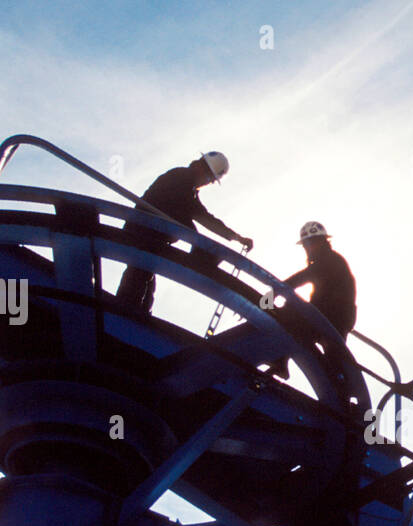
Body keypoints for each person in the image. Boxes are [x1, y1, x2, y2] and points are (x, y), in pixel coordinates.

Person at [115, 151, 256, 314]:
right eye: (210, 179)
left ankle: (132, 315)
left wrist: (235, 237)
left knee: (142, 278)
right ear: (203, 170)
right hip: (144, 233)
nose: (208, 183)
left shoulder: (185, 184)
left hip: (149, 236)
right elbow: (192, 214)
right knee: (138, 277)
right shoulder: (180, 179)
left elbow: (200, 215)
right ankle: (124, 314)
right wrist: (205, 249)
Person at [267, 221, 356, 380]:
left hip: (330, 317)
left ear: (320, 242)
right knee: (332, 363)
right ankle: (280, 361)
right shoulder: (330, 260)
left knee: (289, 312)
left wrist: (268, 298)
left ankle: (279, 360)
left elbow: (300, 278)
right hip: (334, 318)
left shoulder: (329, 261)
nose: (307, 249)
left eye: (309, 244)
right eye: (305, 246)